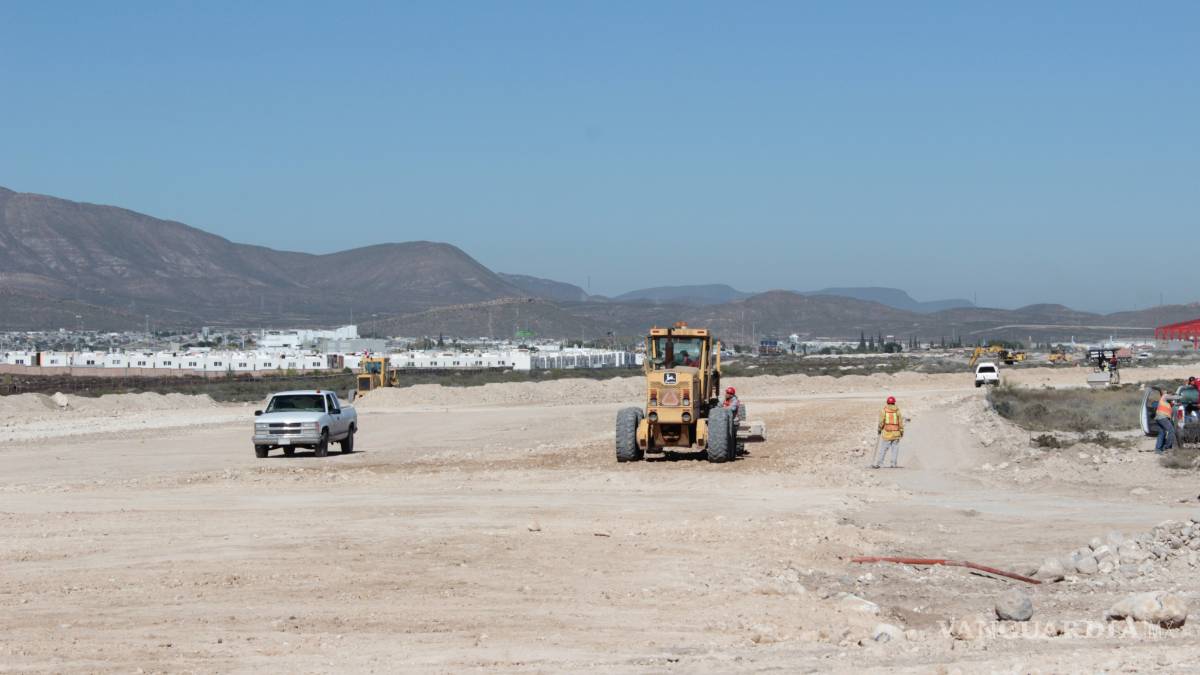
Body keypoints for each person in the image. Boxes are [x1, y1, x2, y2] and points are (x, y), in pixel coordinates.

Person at [874, 395, 904, 468]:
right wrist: (901, 431)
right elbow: (900, 423)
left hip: (887, 433)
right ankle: (893, 464)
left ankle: (879, 463)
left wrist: (879, 429)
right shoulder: (897, 411)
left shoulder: (884, 411)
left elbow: (881, 422)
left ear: (887, 402)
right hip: (896, 433)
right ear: (894, 403)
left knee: (883, 449)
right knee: (895, 450)